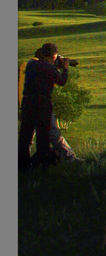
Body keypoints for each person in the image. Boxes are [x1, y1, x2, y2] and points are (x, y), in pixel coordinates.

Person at [19, 43, 69, 171]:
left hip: (27, 102)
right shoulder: (48, 67)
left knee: (26, 135)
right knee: (43, 136)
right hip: (42, 104)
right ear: (53, 55)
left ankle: (22, 166)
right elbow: (61, 81)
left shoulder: (31, 64)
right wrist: (65, 68)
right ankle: (43, 165)